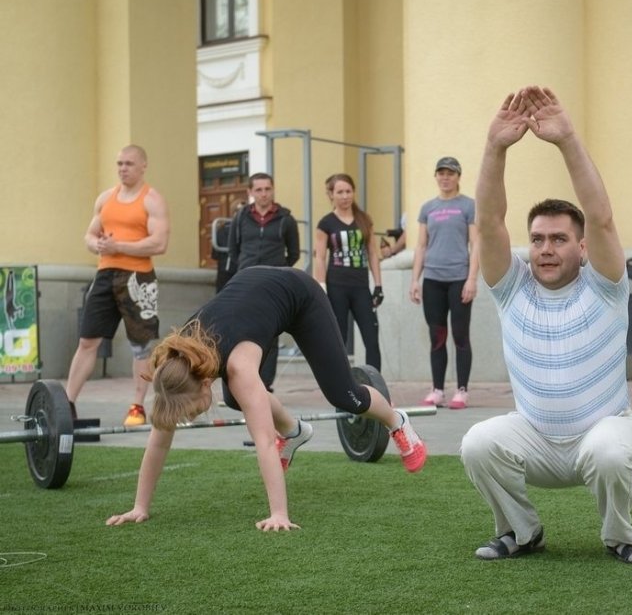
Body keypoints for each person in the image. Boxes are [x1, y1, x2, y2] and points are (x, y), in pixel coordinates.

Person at [460, 86, 632, 564]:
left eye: (559, 239)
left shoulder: (605, 285)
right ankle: (520, 532)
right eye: (538, 239)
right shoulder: (512, 287)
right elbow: (488, 222)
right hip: (536, 438)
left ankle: (620, 536)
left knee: (611, 451)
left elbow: (604, 220)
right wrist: (494, 148)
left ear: (582, 247)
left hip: (601, 434)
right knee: (477, 443)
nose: (546, 248)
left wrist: (567, 140)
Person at [105, 266, 427, 532]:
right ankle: (294, 431)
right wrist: (139, 507)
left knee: (345, 397)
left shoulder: (239, 368)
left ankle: (396, 422)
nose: (189, 417)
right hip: (253, 301)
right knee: (236, 399)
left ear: (205, 382)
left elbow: (261, 440)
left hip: (298, 296)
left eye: (191, 411)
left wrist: (279, 514)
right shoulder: (172, 369)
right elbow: (159, 440)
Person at [67, 144, 170, 426]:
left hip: (138, 278)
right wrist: (97, 243)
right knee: (87, 340)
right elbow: (89, 235)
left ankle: (137, 406)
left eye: (128, 164)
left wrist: (118, 245)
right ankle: (68, 403)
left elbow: (159, 243)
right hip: (104, 275)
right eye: (119, 163)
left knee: (141, 344)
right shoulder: (106, 199)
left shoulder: (152, 200)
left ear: (142, 166)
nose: (123, 168)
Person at [409, 157, 479, 410]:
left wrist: (472, 278)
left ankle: (462, 390)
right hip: (433, 280)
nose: (445, 177)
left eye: (450, 173)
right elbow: (420, 245)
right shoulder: (428, 208)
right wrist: (415, 279)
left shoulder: (468, 206)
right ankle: (437, 389)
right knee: (437, 336)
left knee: (460, 336)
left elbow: (476, 243)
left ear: (458, 176)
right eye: (441, 173)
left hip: (459, 278)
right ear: (436, 177)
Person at [225, 173, 300, 398]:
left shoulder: (286, 219)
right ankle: (244, 381)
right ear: (250, 192)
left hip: (274, 284)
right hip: (245, 282)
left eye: (267, 189)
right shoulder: (240, 217)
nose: (264, 194)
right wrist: (245, 269)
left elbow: (294, 253)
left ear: (273, 190)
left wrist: (278, 271)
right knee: (242, 332)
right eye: (258, 190)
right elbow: (233, 250)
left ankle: (264, 385)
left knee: (270, 334)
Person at [314, 174, 383, 371]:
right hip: (337, 287)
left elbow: (372, 253)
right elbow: (319, 257)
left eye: (348, 191)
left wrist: (378, 285)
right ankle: (342, 388)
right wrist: (321, 288)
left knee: (371, 337)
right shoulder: (326, 223)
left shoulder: (364, 219)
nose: (345, 196)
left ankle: (375, 386)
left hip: (361, 287)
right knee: (339, 340)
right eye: (340, 192)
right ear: (331, 195)